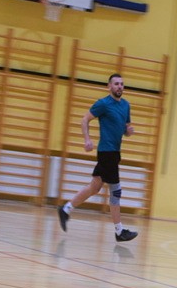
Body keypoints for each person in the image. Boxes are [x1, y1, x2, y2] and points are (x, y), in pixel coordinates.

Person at [57, 73, 138, 242]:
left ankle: (66, 209)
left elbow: (123, 128)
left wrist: (128, 132)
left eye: (121, 84)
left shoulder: (126, 105)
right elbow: (85, 120)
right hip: (106, 152)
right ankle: (119, 231)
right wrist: (87, 139)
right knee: (116, 190)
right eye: (116, 84)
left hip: (115, 152)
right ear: (109, 87)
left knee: (94, 187)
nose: (119, 86)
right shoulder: (103, 104)